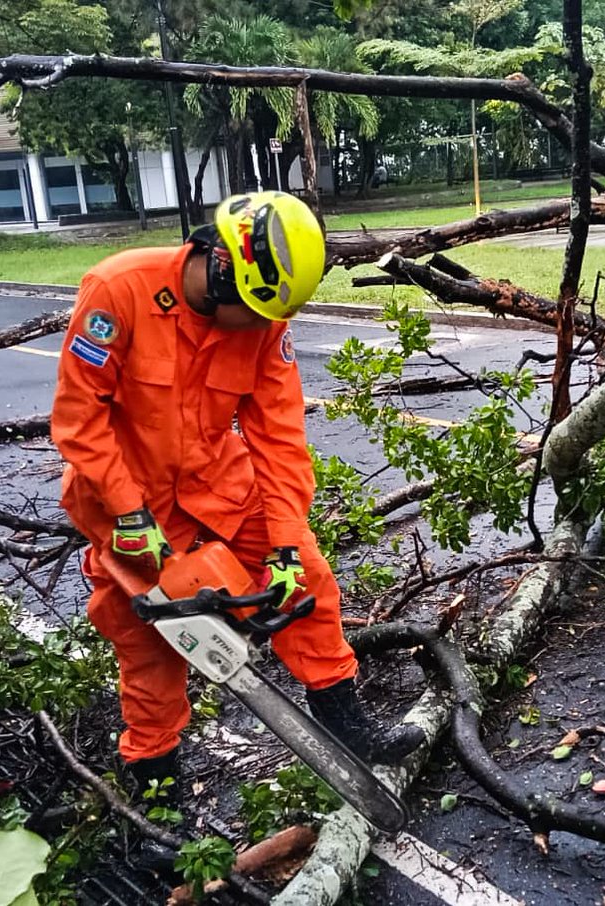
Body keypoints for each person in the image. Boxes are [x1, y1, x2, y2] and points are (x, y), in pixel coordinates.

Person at [51, 191, 424, 796]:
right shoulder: (119, 291)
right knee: (151, 643)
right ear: (222, 268)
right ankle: (158, 791)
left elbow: (279, 437)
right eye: (252, 312)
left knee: (305, 578)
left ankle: (351, 728)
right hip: (123, 498)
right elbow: (79, 421)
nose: (259, 327)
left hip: (217, 482)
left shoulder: (266, 319)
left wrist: (284, 543)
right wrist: (127, 510)